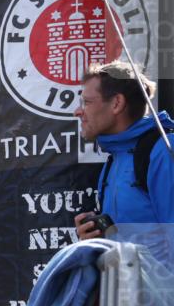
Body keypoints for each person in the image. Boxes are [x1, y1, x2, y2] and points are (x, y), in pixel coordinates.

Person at [74, 60, 174, 266]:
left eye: (87, 102)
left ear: (117, 103)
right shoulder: (115, 158)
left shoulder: (163, 150)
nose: (78, 111)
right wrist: (96, 240)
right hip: (125, 295)